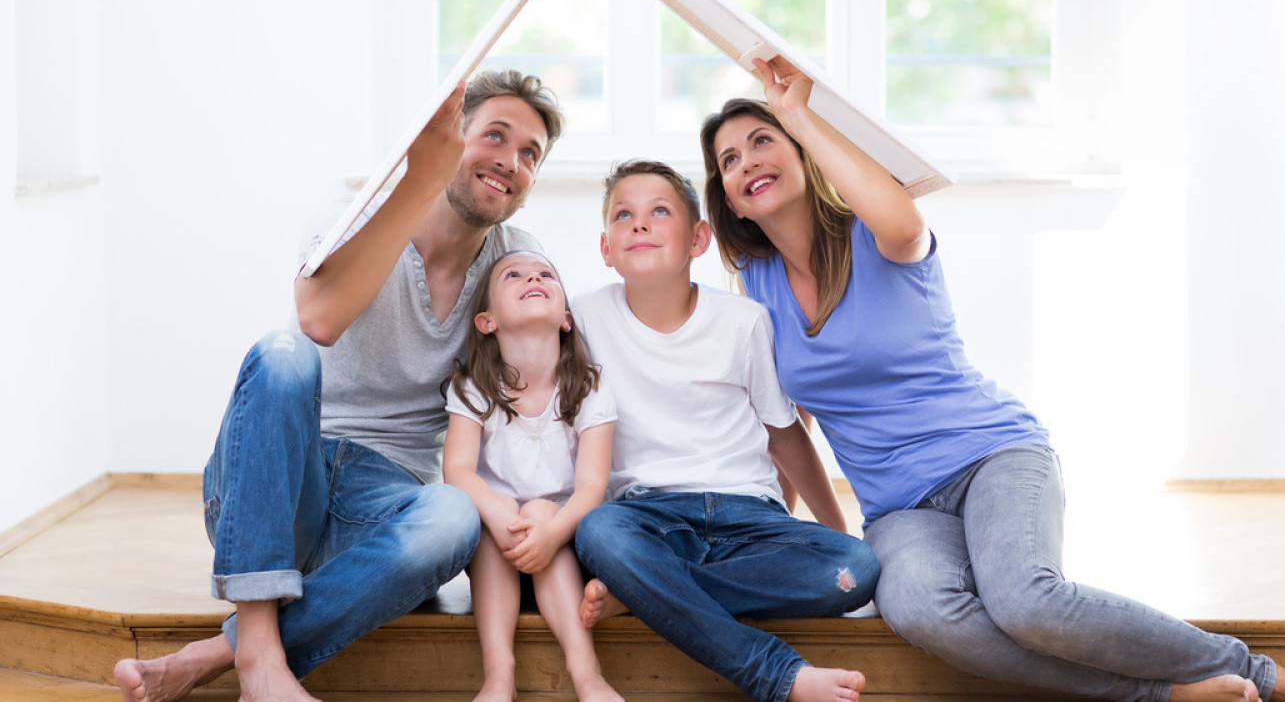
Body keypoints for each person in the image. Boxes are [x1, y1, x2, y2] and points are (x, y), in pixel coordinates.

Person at [696, 57, 1285, 702]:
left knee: (1024, 599)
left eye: (763, 140)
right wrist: (791, 530)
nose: (748, 161)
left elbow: (905, 220)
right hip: (899, 510)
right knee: (923, 613)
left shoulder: (875, 231)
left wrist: (801, 112)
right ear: (729, 199)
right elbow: (785, 427)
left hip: (993, 454)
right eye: (729, 160)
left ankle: (1264, 673)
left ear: (801, 152)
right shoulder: (754, 292)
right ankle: (1162, 692)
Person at [113, 70, 565, 702]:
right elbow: (318, 321)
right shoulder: (350, 213)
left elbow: (536, 389)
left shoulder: (515, 260)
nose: (508, 161)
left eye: (529, 154)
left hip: (385, 505)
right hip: (278, 484)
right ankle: (263, 660)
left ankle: (223, 652)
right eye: (494, 136)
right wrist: (421, 180)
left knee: (455, 516)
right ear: (447, 139)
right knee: (283, 353)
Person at [568, 160, 879, 702]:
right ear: (605, 248)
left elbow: (785, 435)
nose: (639, 224)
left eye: (659, 211)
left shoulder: (743, 320)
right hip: (647, 516)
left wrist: (836, 530)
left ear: (698, 238)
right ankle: (777, 674)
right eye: (624, 215)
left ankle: (647, 590)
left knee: (855, 568)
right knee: (598, 533)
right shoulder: (583, 318)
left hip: (747, 515)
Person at [442, 249, 622, 702]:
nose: (532, 278)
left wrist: (551, 531)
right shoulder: (473, 387)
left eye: (545, 274)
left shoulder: (588, 387)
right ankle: (499, 673)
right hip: (497, 549)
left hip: (563, 544)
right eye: (514, 276)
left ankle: (587, 674)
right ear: (487, 322)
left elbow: (591, 488)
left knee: (542, 508)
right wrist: (501, 518)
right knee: (494, 510)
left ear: (565, 318)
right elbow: (458, 470)